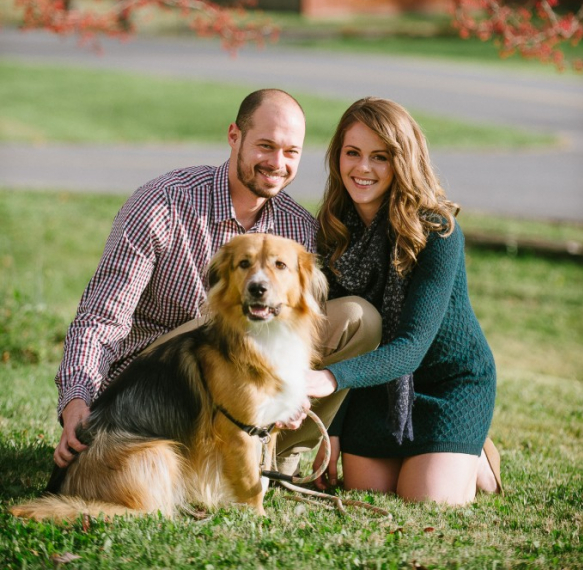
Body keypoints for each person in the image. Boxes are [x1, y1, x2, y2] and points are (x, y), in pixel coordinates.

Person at [54, 88, 381, 470]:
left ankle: (271, 460)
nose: (277, 163)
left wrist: (295, 391)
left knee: (358, 320)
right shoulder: (164, 204)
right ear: (234, 136)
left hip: (245, 383)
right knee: (224, 320)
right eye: (265, 146)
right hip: (151, 392)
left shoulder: (299, 230)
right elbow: (101, 319)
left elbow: (299, 334)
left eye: (291, 152)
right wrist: (77, 402)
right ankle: (194, 461)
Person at [306, 97, 501, 505]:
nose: (363, 168)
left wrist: (328, 380)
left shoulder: (438, 232)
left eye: (381, 157)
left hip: (448, 383)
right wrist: (335, 431)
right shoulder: (334, 229)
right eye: (352, 153)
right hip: (378, 386)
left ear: (403, 161)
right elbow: (348, 342)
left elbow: (411, 349)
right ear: (337, 156)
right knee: (366, 490)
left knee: (428, 499)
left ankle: (475, 451)